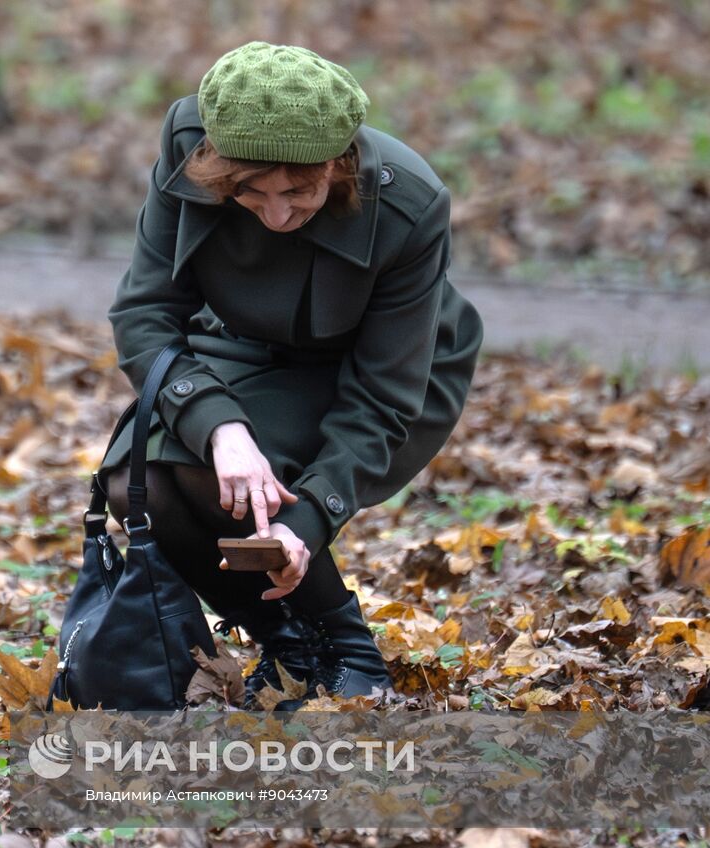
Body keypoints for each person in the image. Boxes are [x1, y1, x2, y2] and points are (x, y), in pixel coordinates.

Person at [96, 41, 484, 709]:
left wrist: (307, 524)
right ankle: (290, 643)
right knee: (142, 480)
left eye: (299, 192)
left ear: (340, 165)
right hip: (246, 343)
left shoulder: (409, 204)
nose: (276, 215)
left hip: (385, 366)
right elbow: (144, 311)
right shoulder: (190, 145)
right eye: (252, 192)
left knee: (243, 491)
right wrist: (221, 428)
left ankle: (352, 652)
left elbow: (383, 394)